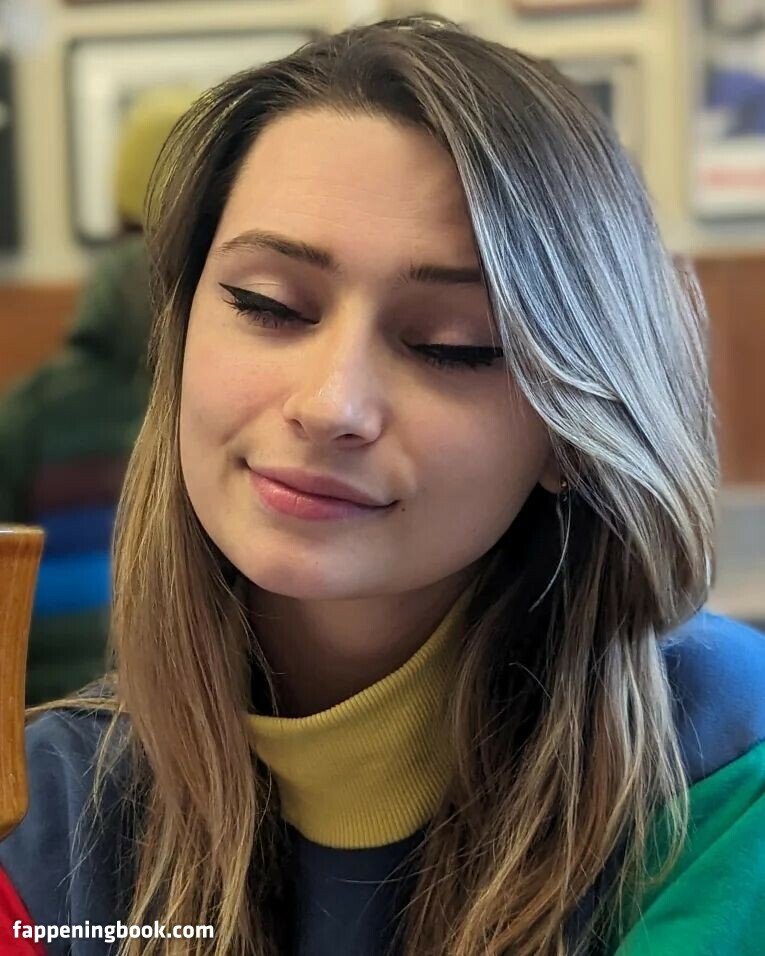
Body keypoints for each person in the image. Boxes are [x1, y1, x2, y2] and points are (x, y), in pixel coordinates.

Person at [1, 13, 764, 955]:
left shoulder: (726, 776)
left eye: (451, 345)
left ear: (572, 428)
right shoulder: (42, 820)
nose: (332, 405)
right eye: (267, 305)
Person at [0, 87, 194, 705]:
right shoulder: (247, 408)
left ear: (113, 216)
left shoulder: (28, 413)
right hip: (214, 721)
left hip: (41, 725)